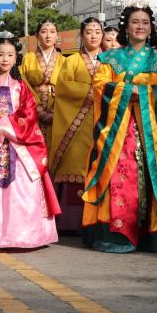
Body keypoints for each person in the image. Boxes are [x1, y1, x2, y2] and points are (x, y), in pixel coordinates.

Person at [83, 4, 157, 253]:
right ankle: (119, 232)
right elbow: (100, 85)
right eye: (135, 22)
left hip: (152, 130)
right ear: (126, 26)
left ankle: (155, 233)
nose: (141, 27)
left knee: (156, 174)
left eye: (145, 22)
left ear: (151, 27)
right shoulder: (110, 58)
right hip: (119, 130)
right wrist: (127, 91)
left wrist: (142, 93)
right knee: (120, 177)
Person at [0, 31, 60, 249]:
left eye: (9, 55)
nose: (5, 59)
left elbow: (29, 113)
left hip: (18, 147)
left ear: (17, 58)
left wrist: (6, 124)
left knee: (22, 188)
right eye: (0, 54)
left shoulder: (21, 87)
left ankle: (21, 235)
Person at [50, 17, 103, 232]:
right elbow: (63, 87)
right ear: (81, 35)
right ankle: (72, 222)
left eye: (97, 31)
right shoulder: (71, 61)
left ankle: (100, 218)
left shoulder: (110, 60)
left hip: (103, 121)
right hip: (77, 125)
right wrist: (93, 92)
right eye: (88, 32)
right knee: (75, 165)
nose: (93, 36)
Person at [20, 19, 65, 145]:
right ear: (36, 35)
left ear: (57, 36)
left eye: (52, 32)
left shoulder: (65, 60)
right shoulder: (27, 59)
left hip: (57, 108)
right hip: (32, 108)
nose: (48, 35)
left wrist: (57, 109)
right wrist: (36, 107)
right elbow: (22, 84)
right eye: (44, 32)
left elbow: (68, 87)